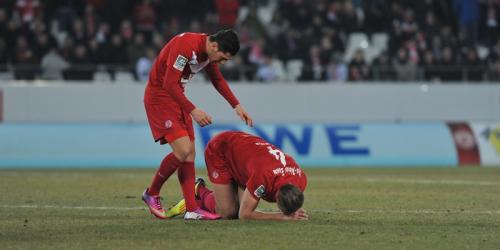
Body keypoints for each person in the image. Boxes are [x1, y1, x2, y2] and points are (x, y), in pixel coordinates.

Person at [142, 30, 253, 220]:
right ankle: (151, 193)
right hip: (160, 97)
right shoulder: (186, 46)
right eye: (222, 58)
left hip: (177, 98)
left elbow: (217, 79)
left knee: (190, 153)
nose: (222, 62)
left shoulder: (208, 53)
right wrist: (193, 110)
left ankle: (192, 209)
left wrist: (236, 105)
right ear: (214, 46)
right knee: (183, 150)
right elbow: (169, 83)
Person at [169, 131, 308, 220]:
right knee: (228, 213)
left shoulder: (301, 179)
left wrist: (292, 210)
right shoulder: (264, 178)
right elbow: (245, 215)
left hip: (244, 158)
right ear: (276, 197)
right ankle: (199, 191)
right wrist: (281, 217)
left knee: (236, 209)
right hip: (221, 149)